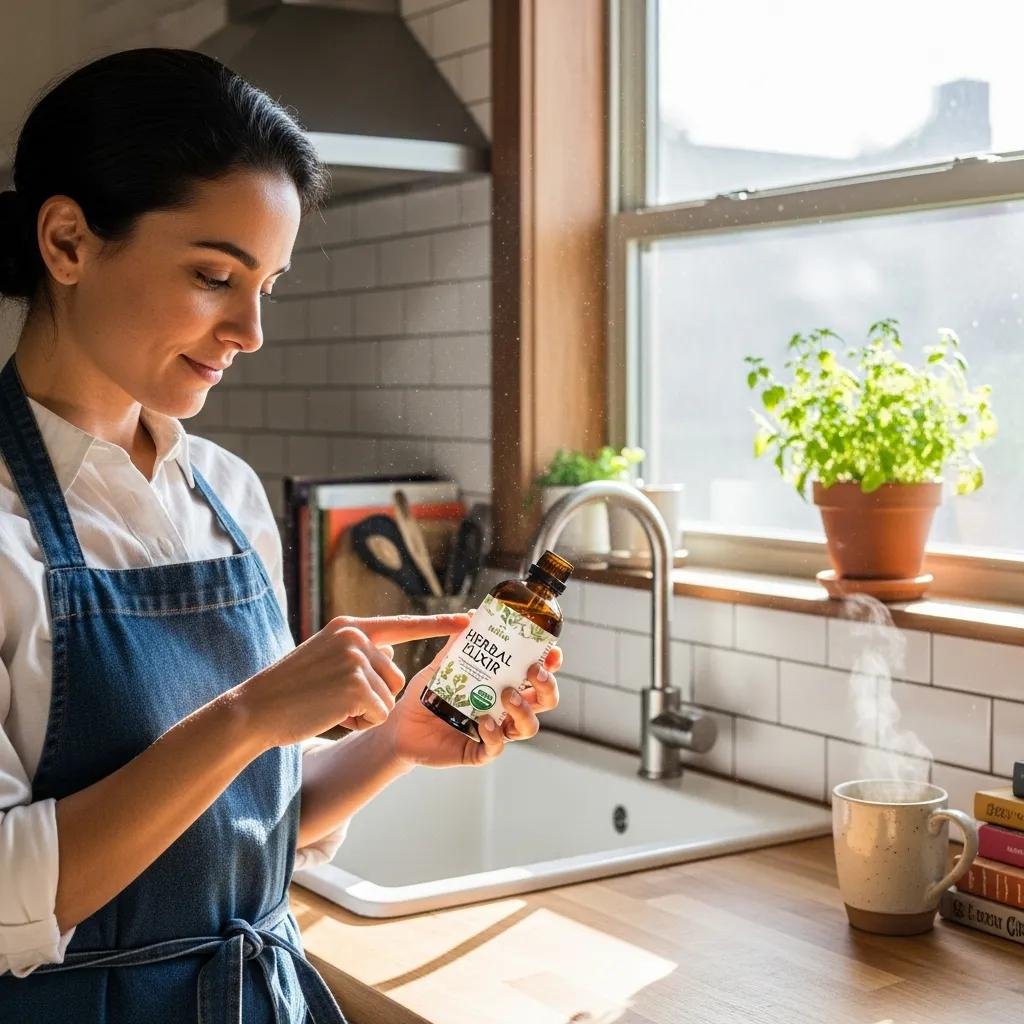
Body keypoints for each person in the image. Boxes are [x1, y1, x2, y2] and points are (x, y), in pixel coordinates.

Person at [0, 48, 563, 1022]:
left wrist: (394, 738)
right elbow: (11, 893)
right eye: (215, 274)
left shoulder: (223, 492)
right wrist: (252, 714)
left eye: (269, 282)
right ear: (66, 242)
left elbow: (236, 821)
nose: (251, 329)